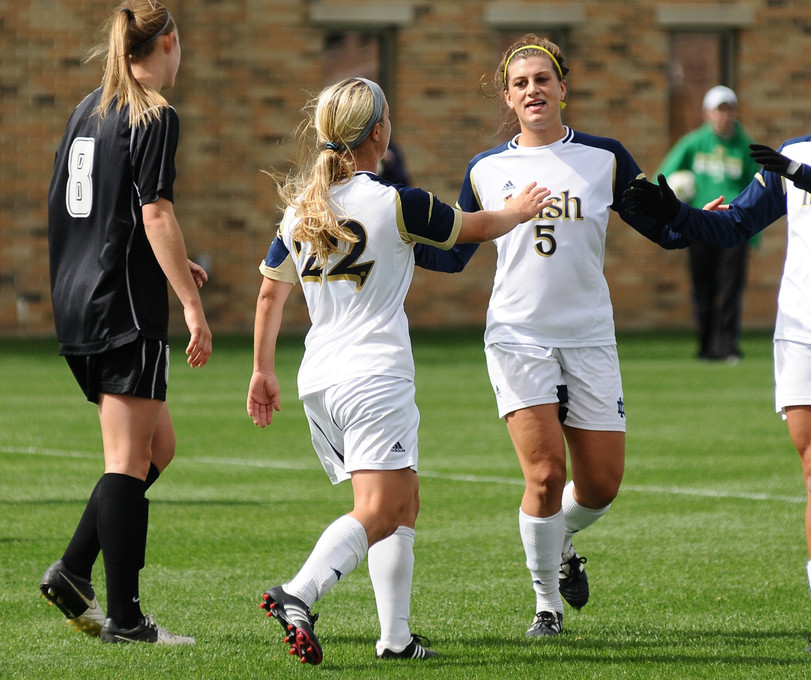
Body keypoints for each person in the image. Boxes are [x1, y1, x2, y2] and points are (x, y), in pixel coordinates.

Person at [623, 32, 811, 653]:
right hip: (804, 337)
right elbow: (735, 223)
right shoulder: (796, 153)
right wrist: (671, 214)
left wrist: (799, 173)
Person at [246, 77, 553, 665]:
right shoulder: (397, 202)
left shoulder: (300, 209)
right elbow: (472, 230)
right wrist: (517, 210)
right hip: (373, 377)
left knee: (403, 498)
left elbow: (268, 295)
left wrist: (262, 371)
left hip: (321, 379)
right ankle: (299, 592)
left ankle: (396, 639)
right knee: (380, 508)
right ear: (378, 131)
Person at [415, 34, 691, 638]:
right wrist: (398, 243)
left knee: (601, 486)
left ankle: (558, 541)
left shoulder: (604, 157)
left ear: (563, 88)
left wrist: (702, 223)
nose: (532, 90)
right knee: (544, 475)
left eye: (543, 79)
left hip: (590, 337)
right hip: (518, 336)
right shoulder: (486, 169)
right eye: (520, 83)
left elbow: (660, 226)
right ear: (508, 98)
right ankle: (547, 606)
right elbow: (457, 252)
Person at [42, 1, 211, 646]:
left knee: (154, 450)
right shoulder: (153, 112)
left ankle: (72, 570)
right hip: (123, 307)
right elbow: (154, 212)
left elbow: (95, 211)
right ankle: (127, 620)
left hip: (78, 301)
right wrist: (190, 305)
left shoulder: (87, 108)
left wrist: (171, 263)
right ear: (168, 42)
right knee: (126, 459)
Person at [656, 86, 760, 361]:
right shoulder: (693, 143)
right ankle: (705, 347)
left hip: (734, 226)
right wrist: (676, 205)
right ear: (707, 113)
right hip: (699, 224)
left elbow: (758, 191)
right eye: (718, 110)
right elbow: (663, 176)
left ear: (734, 112)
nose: (723, 115)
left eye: (728, 109)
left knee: (730, 288)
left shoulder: (745, 146)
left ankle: (727, 346)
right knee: (703, 287)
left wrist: (754, 233)